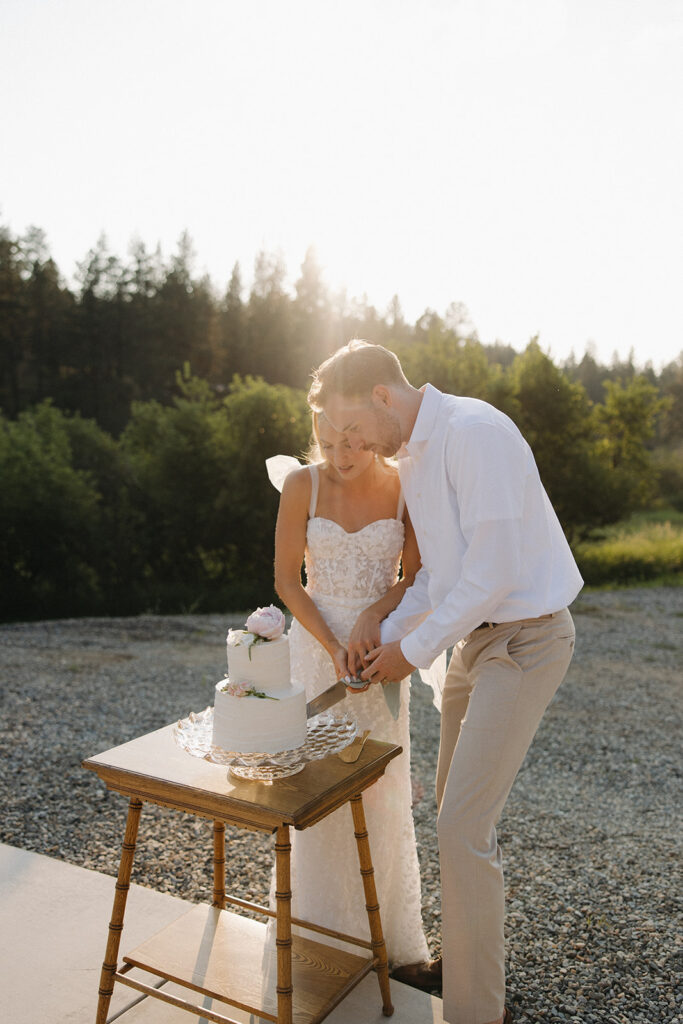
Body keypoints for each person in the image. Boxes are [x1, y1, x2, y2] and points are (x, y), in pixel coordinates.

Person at [307, 340, 583, 1024]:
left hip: (526, 640)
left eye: (352, 428)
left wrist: (410, 651)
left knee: (463, 824)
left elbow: (490, 575)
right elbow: (438, 575)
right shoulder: (417, 456)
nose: (351, 443)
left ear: (380, 395)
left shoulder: (473, 433)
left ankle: (476, 1012)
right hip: (472, 646)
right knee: (449, 810)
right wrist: (386, 632)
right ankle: (462, 965)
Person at [266, 409, 430, 969]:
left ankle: (390, 942)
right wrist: (333, 648)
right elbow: (288, 581)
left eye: (354, 444)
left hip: (380, 650)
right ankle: (312, 938)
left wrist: (374, 617)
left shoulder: (407, 483)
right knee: (313, 792)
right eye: (329, 442)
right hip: (314, 652)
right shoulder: (301, 485)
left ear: (374, 434)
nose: (340, 456)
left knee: (380, 794)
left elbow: (414, 576)